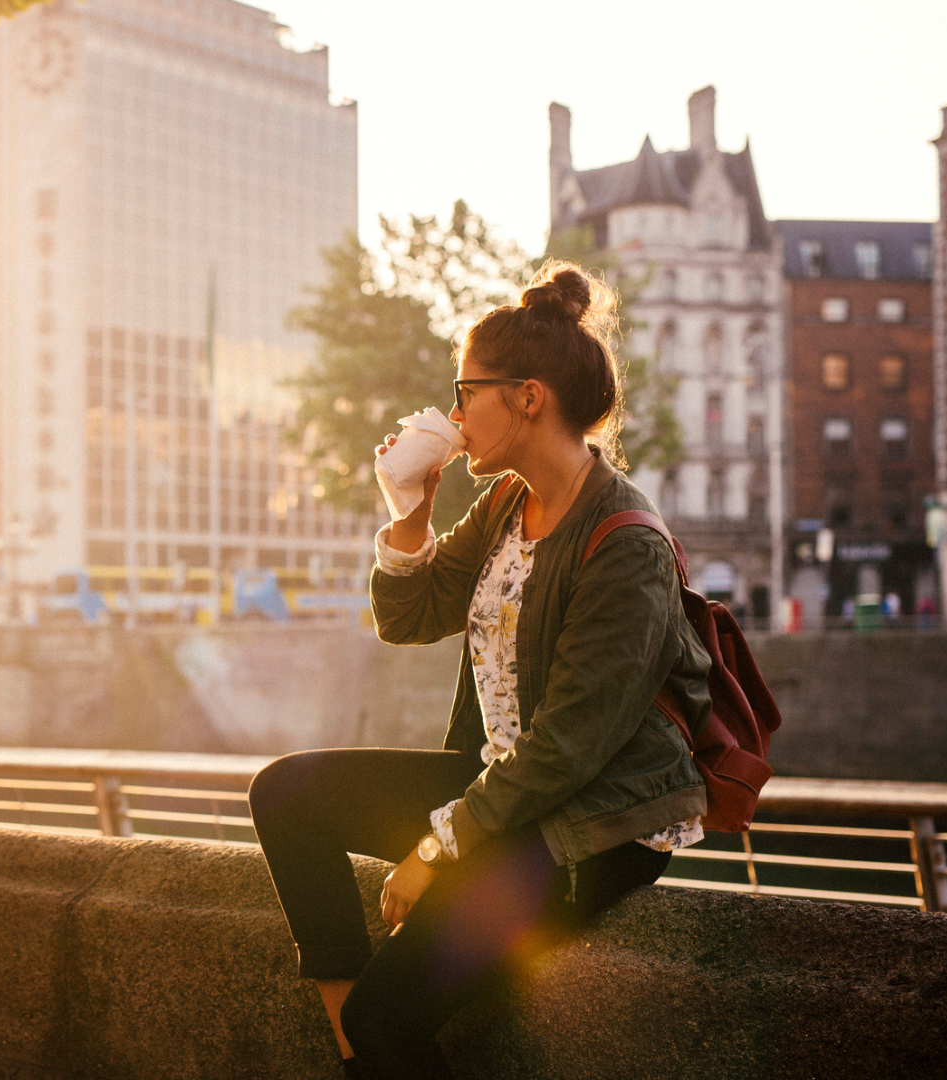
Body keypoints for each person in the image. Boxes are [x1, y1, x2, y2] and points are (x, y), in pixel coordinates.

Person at [249, 262, 712, 1080]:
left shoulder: (626, 544)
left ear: (528, 397)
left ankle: (374, 1032)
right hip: (503, 787)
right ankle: (362, 1044)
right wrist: (409, 515)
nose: (455, 413)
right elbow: (409, 617)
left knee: (388, 1012)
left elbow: (570, 746)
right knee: (284, 796)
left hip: (591, 823)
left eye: (466, 392)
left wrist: (439, 847)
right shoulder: (505, 502)